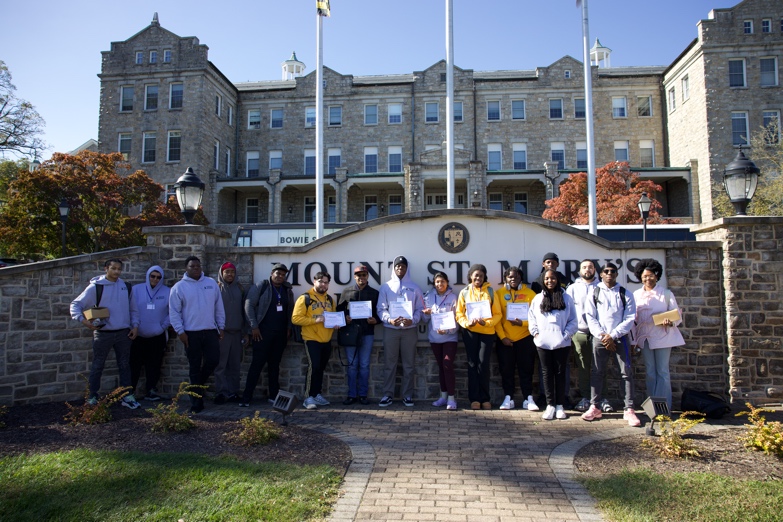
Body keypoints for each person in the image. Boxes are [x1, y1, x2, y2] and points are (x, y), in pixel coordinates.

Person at [70, 258, 140, 409]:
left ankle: (127, 395)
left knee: (124, 365)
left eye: (119, 269)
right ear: (106, 268)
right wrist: (84, 321)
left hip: (123, 333)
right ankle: (92, 397)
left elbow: (133, 309)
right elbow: (76, 304)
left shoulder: (126, 287)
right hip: (103, 333)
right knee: (97, 365)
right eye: (113, 268)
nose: (116, 271)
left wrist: (135, 326)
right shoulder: (96, 287)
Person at [582, 262, 641, 427]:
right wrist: (603, 336)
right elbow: (590, 317)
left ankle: (629, 409)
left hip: (621, 338)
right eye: (606, 271)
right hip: (599, 338)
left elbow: (629, 318)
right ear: (601, 274)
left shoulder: (625, 293)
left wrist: (613, 336)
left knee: (626, 372)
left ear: (616, 274)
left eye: (612, 271)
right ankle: (595, 406)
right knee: (597, 372)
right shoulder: (594, 292)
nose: (609, 274)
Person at [169, 256, 226, 413]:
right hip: (191, 333)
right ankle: (196, 402)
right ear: (186, 268)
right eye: (192, 266)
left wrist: (221, 326)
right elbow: (174, 312)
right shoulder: (179, 287)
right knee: (194, 366)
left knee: (213, 360)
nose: (196, 268)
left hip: (210, 331)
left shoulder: (210, 284)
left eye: (198, 266)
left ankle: (196, 386)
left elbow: (218, 307)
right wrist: (180, 332)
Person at [631, 258, 683, 412]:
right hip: (645, 337)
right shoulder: (636, 294)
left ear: (657, 275)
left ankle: (664, 407)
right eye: (645, 276)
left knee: (662, 372)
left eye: (651, 275)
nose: (648, 278)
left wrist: (670, 321)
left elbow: (677, 316)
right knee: (650, 372)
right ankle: (653, 407)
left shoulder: (666, 294)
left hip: (663, 337)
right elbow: (633, 319)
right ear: (640, 277)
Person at [240, 263, 294, 407]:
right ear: (272, 273)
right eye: (278, 273)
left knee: (274, 366)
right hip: (262, 333)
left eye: (283, 274)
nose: (280, 276)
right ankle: (246, 397)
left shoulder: (287, 290)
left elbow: (290, 310)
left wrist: (288, 327)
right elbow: (248, 305)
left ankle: (273, 396)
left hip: (280, 334)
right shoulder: (261, 286)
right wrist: (254, 326)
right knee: (256, 365)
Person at [528, 269, 578, 420]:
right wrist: (536, 334)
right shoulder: (537, 299)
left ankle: (560, 405)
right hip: (543, 342)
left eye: (553, 278)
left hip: (562, 343)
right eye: (547, 279)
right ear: (543, 280)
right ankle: (550, 405)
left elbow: (573, 320)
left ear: (557, 280)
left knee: (560, 373)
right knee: (546, 373)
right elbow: (531, 318)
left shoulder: (567, 298)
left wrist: (566, 335)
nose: (550, 281)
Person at [377, 256, 424, 408]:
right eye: (397, 266)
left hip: (409, 331)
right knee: (389, 364)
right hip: (391, 330)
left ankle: (407, 395)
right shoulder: (386, 287)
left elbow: (419, 309)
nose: (400, 269)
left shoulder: (415, 288)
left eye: (403, 266)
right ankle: (387, 395)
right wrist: (389, 319)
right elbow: (381, 308)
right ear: (394, 268)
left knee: (408, 364)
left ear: (406, 268)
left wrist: (414, 320)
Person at [456, 263, 502, 410]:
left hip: (487, 333)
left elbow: (498, 314)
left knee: (483, 365)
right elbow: (459, 314)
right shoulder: (464, 292)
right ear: (470, 276)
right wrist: (467, 323)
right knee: (472, 364)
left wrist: (487, 323)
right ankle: (474, 399)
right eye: (476, 275)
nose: (478, 278)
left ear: (484, 277)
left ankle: (485, 398)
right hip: (469, 332)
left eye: (481, 275)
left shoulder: (491, 292)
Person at [292, 271, 339, 410]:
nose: (323, 284)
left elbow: (334, 316)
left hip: (326, 339)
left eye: (326, 282)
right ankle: (308, 397)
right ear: (314, 281)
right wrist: (315, 320)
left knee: (321, 368)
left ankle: (317, 393)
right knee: (314, 367)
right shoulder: (305, 298)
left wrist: (336, 324)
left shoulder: (330, 299)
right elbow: (295, 318)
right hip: (311, 338)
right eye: (321, 281)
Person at [494, 266, 538, 411]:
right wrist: (503, 337)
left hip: (525, 338)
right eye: (510, 277)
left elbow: (536, 318)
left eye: (517, 277)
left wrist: (523, 323)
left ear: (521, 279)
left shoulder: (530, 294)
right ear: (505, 279)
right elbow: (497, 318)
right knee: (506, 370)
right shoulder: (499, 294)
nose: (513, 279)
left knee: (526, 370)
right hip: (505, 340)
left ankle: (528, 398)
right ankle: (508, 398)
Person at [565, 259, 607, 413]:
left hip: (600, 333)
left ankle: (602, 398)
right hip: (580, 331)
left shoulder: (602, 287)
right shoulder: (573, 288)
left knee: (601, 366)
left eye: (590, 267)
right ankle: (585, 397)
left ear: (595, 270)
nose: (587, 270)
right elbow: (567, 310)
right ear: (579, 270)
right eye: (584, 267)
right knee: (583, 367)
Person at [336, 265, 380, 406]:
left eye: (364, 275)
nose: (361, 277)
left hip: (367, 333)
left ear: (367, 276)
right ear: (354, 277)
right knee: (352, 365)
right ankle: (351, 395)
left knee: (365, 365)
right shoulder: (347, 291)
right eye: (358, 275)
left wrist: (376, 320)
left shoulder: (374, 293)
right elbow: (339, 310)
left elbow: (380, 312)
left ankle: (362, 395)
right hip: (350, 334)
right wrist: (345, 317)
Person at [129, 265, 170, 402]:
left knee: (155, 365)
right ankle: (130, 391)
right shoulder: (136, 290)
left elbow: (173, 312)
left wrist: (162, 327)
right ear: (148, 276)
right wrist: (134, 326)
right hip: (138, 335)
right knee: (134, 365)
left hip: (157, 336)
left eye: (159, 277)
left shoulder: (168, 292)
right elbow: (130, 310)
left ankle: (151, 390)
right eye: (152, 276)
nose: (155, 279)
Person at [422, 271, 459, 410]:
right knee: (441, 367)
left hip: (450, 337)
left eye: (442, 281)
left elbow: (457, 320)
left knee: (447, 364)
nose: (440, 284)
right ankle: (443, 397)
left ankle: (451, 398)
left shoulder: (454, 297)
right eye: (437, 282)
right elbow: (425, 320)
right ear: (434, 283)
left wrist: (448, 331)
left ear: (447, 282)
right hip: (435, 338)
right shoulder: (429, 297)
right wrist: (426, 314)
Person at [214, 262, 249, 404]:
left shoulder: (240, 288)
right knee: (221, 365)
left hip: (237, 332)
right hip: (222, 333)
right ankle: (220, 393)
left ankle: (233, 392)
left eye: (232, 272)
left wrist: (246, 332)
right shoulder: (216, 288)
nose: (230, 275)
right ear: (222, 273)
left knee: (235, 365)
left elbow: (244, 311)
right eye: (227, 272)